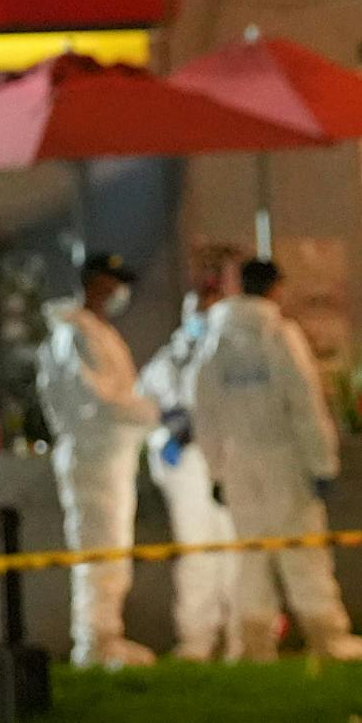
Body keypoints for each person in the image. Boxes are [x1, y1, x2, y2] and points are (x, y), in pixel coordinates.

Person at [192, 257, 362, 664]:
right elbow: (305, 404)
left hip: (238, 465)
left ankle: (252, 644)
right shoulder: (279, 336)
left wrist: (216, 470)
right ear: (275, 289)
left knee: (251, 555)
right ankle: (326, 637)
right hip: (284, 460)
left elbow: (204, 412)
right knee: (302, 549)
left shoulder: (214, 341)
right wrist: (322, 465)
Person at [36, 252, 161, 670]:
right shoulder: (76, 336)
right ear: (95, 283)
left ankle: (105, 639)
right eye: (112, 282)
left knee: (109, 550)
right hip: (94, 456)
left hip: (107, 455)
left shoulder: (92, 333)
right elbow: (101, 400)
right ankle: (94, 644)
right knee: (99, 551)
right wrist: (155, 413)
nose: (119, 291)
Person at [139, 283, 239, 662]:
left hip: (228, 461)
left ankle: (241, 636)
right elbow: (142, 406)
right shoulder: (168, 362)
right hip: (187, 466)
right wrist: (168, 433)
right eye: (195, 310)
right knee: (197, 552)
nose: (199, 319)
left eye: (207, 311)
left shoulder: (232, 355)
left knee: (235, 550)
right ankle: (197, 638)